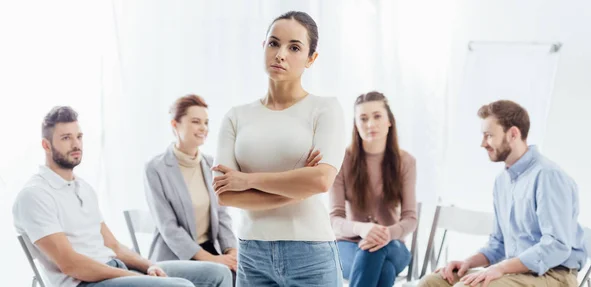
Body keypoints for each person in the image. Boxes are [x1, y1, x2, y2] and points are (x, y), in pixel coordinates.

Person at [13, 106, 232, 287]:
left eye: (79, 136)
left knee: (219, 273)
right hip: (85, 283)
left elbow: (114, 246)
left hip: (115, 268)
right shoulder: (35, 195)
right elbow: (71, 265)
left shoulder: (83, 188)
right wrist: (135, 276)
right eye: (66, 138)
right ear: (46, 145)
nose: (76, 144)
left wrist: (148, 266)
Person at [211, 11, 346, 287]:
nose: (281, 54)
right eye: (274, 43)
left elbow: (321, 180)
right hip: (252, 254)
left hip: (311, 254)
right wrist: (297, 189)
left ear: (311, 58)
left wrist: (247, 181)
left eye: (294, 47)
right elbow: (225, 195)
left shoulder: (325, 109)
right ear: (263, 46)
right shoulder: (236, 116)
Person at [418, 100, 585, 287]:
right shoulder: (502, 182)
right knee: (432, 283)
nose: (483, 144)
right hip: (516, 271)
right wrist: (469, 262)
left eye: (488, 136)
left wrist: (502, 268)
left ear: (513, 134)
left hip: (555, 274)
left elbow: (557, 246)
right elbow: (499, 244)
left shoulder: (548, 176)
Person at [143, 95, 237, 283]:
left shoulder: (212, 164)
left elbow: (223, 215)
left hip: (212, 249)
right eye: (196, 122)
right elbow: (169, 228)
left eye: (206, 122)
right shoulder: (156, 168)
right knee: (223, 274)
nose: (203, 128)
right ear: (175, 124)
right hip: (175, 256)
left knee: (247, 271)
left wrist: (231, 252)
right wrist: (212, 260)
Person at [330, 92, 417, 287]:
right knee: (383, 270)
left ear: (389, 121)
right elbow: (334, 219)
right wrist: (361, 228)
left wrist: (385, 233)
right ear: (356, 125)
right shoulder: (341, 159)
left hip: (393, 244)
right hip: (347, 244)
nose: (370, 124)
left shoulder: (406, 162)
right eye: (363, 118)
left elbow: (410, 218)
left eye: (377, 116)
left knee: (374, 249)